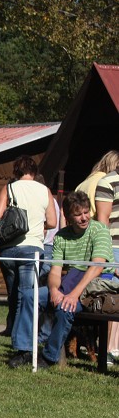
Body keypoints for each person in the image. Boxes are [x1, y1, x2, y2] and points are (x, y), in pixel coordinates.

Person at [34, 191, 114, 369]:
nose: (84, 217)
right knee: (30, 296)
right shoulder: (61, 236)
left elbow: (97, 267)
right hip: (68, 283)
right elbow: (55, 271)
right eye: (78, 214)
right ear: (68, 216)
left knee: (65, 307)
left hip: (95, 287)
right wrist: (54, 291)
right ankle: (24, 350)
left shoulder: (99, 229)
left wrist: (73, 295)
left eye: (86, 212)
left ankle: (48, 357)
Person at [0, 156, 57, 367]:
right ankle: (21, 347)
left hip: (9, 249)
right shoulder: (44, 190)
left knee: (14, 296)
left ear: (16, 171)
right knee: (26, 297)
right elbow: (53, 221)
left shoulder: (9, 188)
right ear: (34, 170)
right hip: (32, 250)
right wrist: (36, 225)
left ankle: (17, 340)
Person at [92, 150, 119, 359]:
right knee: (111, 301)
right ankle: (108, 351)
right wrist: (108, 255)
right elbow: (103, 221)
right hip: (115, 248)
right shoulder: (108, 182)